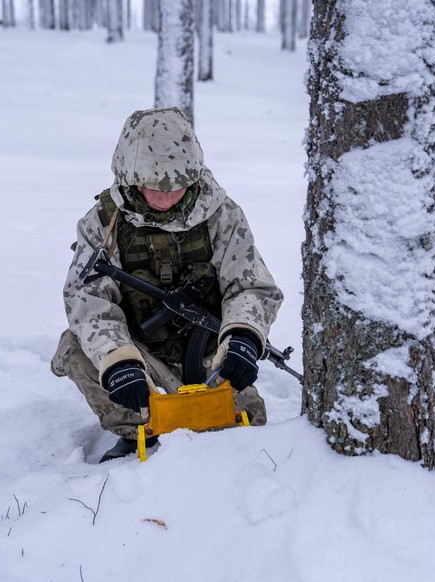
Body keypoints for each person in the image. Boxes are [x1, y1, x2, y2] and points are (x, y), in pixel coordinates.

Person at [51, 107, 283, 462]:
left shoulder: (220, 214)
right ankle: (137, 432)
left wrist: (244, 338)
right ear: (129, 178)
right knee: (76, 348)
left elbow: (250, 285)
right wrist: (119, 361)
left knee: (247, 428)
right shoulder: (103, 224)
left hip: (210, 359)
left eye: (176, 187)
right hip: (142, 359)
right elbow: (88, 301)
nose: (164, 198)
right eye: (152, 188)